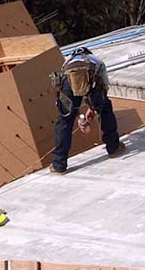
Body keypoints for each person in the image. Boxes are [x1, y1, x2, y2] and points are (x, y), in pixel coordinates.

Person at [50, 46, 125, 174]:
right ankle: (113, 147)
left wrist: (79, 115)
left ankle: (58, 165)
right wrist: (95, 107)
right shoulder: (96, 61)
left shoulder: (66, 63)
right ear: (88, 52)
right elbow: (104, 86)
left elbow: (68, 92)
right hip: (92, 77)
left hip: (69, 80)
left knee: (64, 121)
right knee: (105, 108)